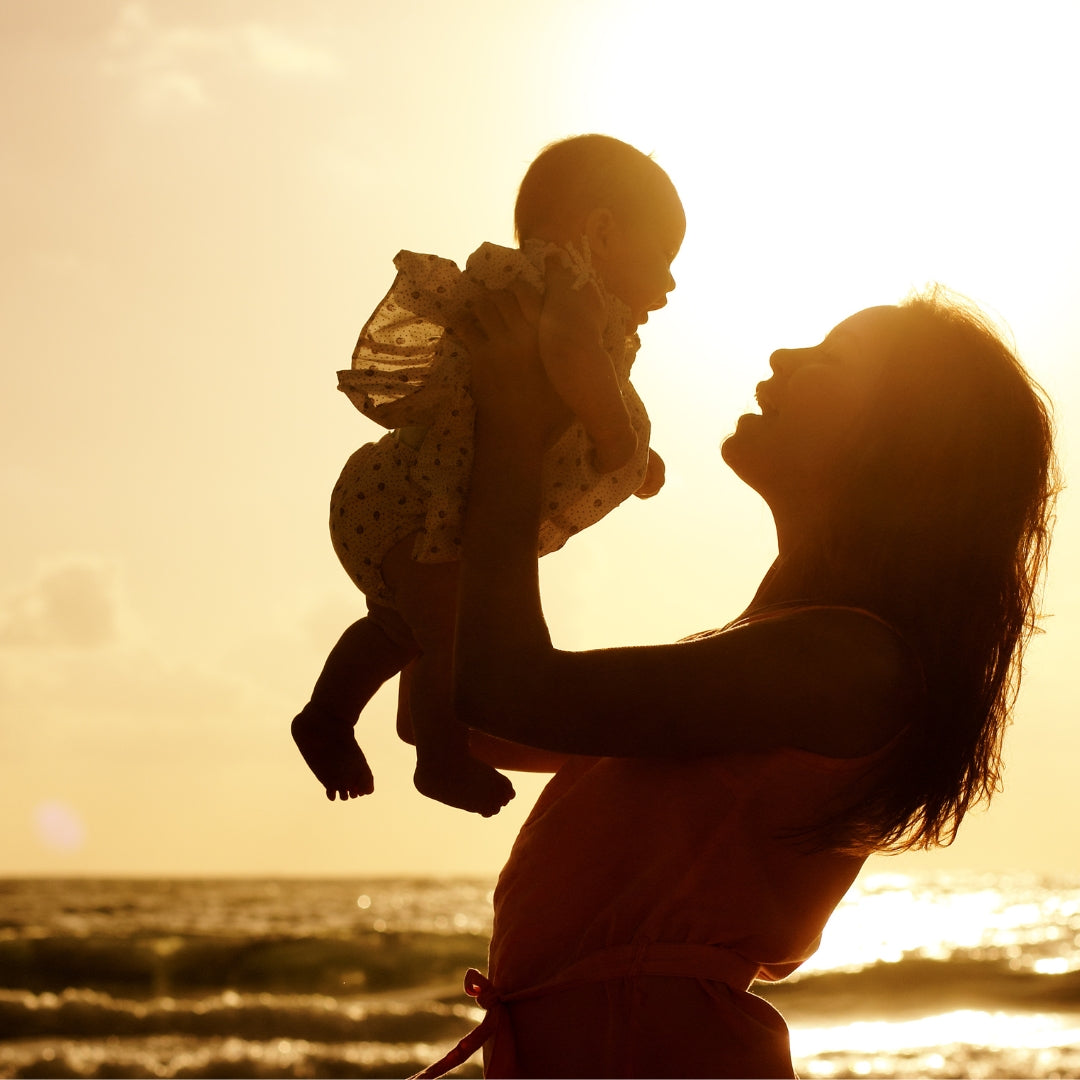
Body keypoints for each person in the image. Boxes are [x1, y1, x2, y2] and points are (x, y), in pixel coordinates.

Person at [415, 284, 1058, 1077]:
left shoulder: (844, 661)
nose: (785, 355)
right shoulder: (774, 650)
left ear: (905, 443)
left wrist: (514, 426)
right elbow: (460, 718)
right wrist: (448, 474)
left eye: (829, 360)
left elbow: (502, 690)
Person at [291, 135, 685, 816]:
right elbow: (572, 365)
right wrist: (617, 439)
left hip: (401, 501)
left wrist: (631, 459)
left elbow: (561, 407)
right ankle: (441, 758)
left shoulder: (565, 299)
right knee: (449, 633)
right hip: (414, 503)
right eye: (665, 257)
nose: (671, 282)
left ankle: (327, 715)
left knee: (402, 629)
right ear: (601, 232)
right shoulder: (567, 289)